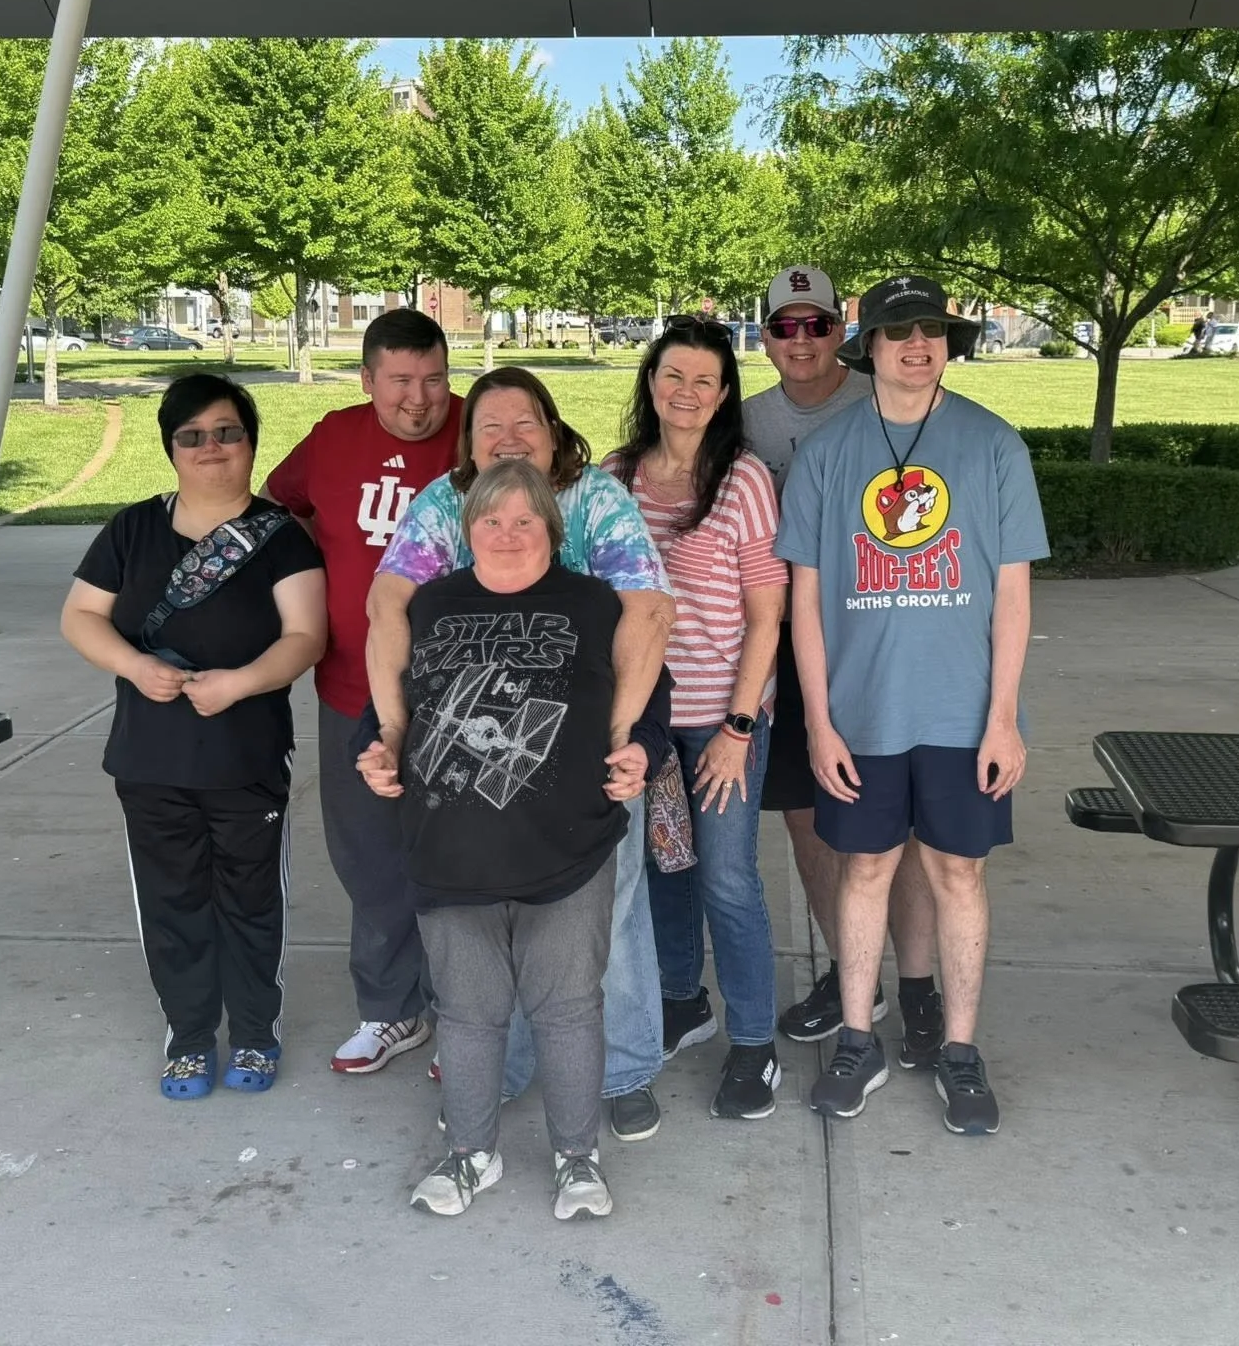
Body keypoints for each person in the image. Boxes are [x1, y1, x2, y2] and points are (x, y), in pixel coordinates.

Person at [367, 366, 676, 1140]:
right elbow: (390, 605)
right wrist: (393, 735)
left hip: (582, 746)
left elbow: (645, 610)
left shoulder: (594, 498)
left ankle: (626, 1068)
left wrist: (625, 740)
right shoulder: (444, 502)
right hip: (479, 753)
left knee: (611, 910)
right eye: (489, 427)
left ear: (554, 430)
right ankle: (499, 1070)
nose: (509, 439)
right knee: (488, 921)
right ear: (469, 443)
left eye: (525, 424)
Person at [776, 276, 1050, 1136]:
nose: (916, 344)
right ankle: (859, 1038)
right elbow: (805, 602)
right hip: (862, 716)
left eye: (932, 329)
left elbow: (1013, 597)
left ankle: (960, 1051)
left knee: (958, 874)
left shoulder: (994, 446)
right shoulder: (828, 455)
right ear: (871, 347)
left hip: (964, 715)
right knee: (864, 870)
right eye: (898, 331)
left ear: (949, 343)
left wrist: (1003, 715)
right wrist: (819, 722)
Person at [61, 375, 328, 1099]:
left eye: (227, 432)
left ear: (250, 442)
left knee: (250, 900)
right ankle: (186, 1035)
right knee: (171, 900)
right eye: (193, 435)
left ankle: (253, 1032)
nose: (212, 448)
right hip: (150, 760)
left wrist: (239, 682)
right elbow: (81, 617)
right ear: (171, 448)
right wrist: (134, 665)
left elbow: (306, 636)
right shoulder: (131, 530)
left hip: (245, 760)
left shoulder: (280, 538)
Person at [744, 267, 944, 1062]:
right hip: (792, 647)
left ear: (843, 335)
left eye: (817, 325)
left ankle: (922, 985)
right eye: (785, 327)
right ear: (764, 338)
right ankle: (851, 974)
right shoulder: (747, 422)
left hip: (883, 644)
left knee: (906, 829)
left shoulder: (883, 405)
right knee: (809, 820)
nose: (802, 341)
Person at [261, 309, 461, 1076]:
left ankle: (462, 1012)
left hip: (461, 695)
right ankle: (389, 1011)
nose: (420, 399)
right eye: (401, 382)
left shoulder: (477, 430)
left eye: (435, 378)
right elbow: (284, 509)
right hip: (351, 685)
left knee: (459, 856)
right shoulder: (333, 437)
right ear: (368, 379)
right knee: (370, 857)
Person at [605, 317, 788, 1118]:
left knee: (725, 877)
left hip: (721, 717)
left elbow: (766, 615)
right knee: (659, 870)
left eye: (704, 381)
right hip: (644, 717)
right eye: (673, 376)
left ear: (722, 396)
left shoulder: (743, 479)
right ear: (652, 383)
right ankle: (683, 999)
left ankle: (755, 1042)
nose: (686, 393)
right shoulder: (615, 477)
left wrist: (738, 730)